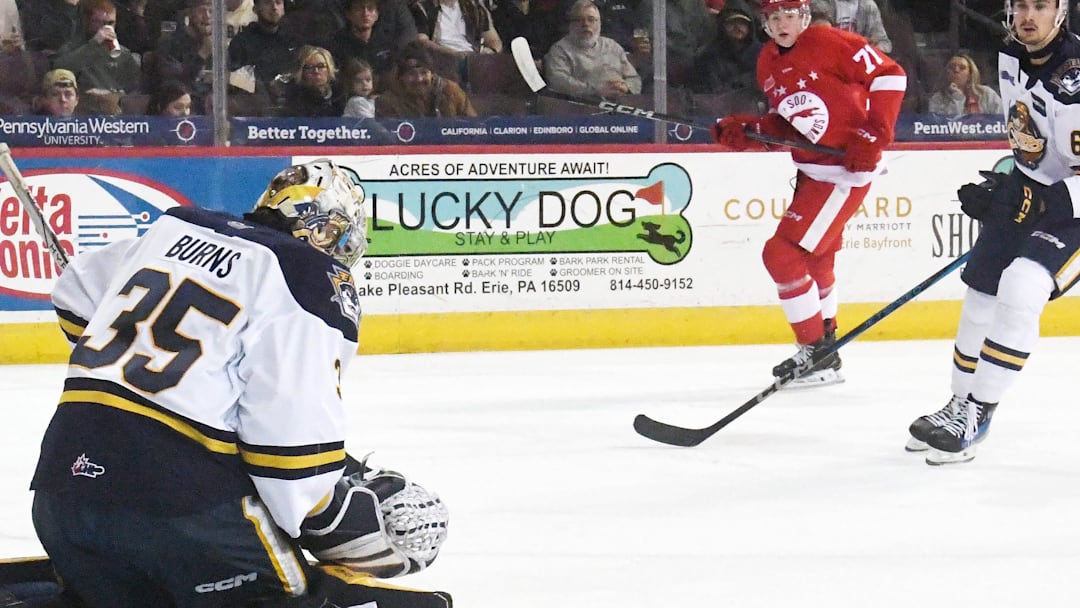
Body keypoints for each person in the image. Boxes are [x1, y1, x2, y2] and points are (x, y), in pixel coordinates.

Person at [31, 158, 452, 607]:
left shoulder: (176, 227)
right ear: (324, 229)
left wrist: (133, 361)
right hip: (189, 515)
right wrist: (335, 517)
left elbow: (74, 292)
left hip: (62, 494)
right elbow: (287, 452)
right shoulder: (310, 279)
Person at [907, 0, 1080, 465]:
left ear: (1061, 12)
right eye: (1021, 4)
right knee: (981, 291)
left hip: (1075, 211)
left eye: (1041, 5)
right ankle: (958, 403)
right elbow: (1030, 143)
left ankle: (979, 413)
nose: (1029, 14)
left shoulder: (1075, 80)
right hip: (1035, 193)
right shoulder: (1010, 56)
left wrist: (1033, 198)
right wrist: (1007, 187)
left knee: (1021, 288)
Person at [711, 0, 906, 387]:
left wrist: (875, 133)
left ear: (803, 16)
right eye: (773, 18)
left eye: (789, 15)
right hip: (810, 172)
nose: (782, 24)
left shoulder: (830, 41)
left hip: (841, 173)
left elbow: (891, 75)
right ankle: (826, 344)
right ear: (763, 23)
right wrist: (750, 131)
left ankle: (814, 353)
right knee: (817, 261)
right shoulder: (767, 60)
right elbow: (792, 123)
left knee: (781, 254)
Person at [543, 0, 642, 99]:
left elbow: (634, 78)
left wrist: (626, 87)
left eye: (591, 19)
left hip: (622, 104)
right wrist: (596, 91)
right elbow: (558, 82)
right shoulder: (560, 50)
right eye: (579, 20)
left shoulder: (612, 46)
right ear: (571, 25)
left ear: (599, 23)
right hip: (582, 107)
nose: (585, 24)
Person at [50, 0, 143, 100]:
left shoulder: (123, 53)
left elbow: (135, 87)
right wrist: (94, 44)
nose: (107, 28)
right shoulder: (72, 48)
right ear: (86, 21)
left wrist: (119, 95)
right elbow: (59, 71)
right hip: (84, 104)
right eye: (102, 23)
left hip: (115, 107)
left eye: (111, 23)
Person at [328, 0, 420, 88]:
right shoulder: (338, 43)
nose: (365, 14)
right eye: (359, 9)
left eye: (370, 9)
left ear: (376, 15)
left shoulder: (387, 40)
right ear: (348, 14)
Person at [376, 40, 476, 115]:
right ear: (401, 77)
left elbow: (475, 126)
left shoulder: (451, 91)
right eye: (411, 74)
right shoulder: (389, 102)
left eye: (424, 73)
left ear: (432, 74)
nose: (419, 79)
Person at [692, 0, 763, 95]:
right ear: (722, 26)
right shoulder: (710, 56)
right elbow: (709, 92)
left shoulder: (763, 54)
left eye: (742, 23)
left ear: (750, 26)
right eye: (731, 23)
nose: (737, 27)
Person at [926, 52, 1003, 118]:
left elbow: (1002, 119)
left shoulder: (986, 94)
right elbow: (945, 126)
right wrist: (957, 98)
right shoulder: (937, 99)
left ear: (970, 74)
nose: (956, 70)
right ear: (947, 73)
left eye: (962, 68)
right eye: (952, 67)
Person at [280, 44, 348, 115]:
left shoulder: (341, 94)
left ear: (329, 68)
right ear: (301, 71)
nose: (316, 71)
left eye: (321, 66)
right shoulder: (294, 98)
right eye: (309, 67)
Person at [810, 0, 891, 52]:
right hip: (828, 59)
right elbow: (822, 35)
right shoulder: (819, 3)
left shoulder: (868, 5)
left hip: (858, 64)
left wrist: (871, 49)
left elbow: (884, 43)